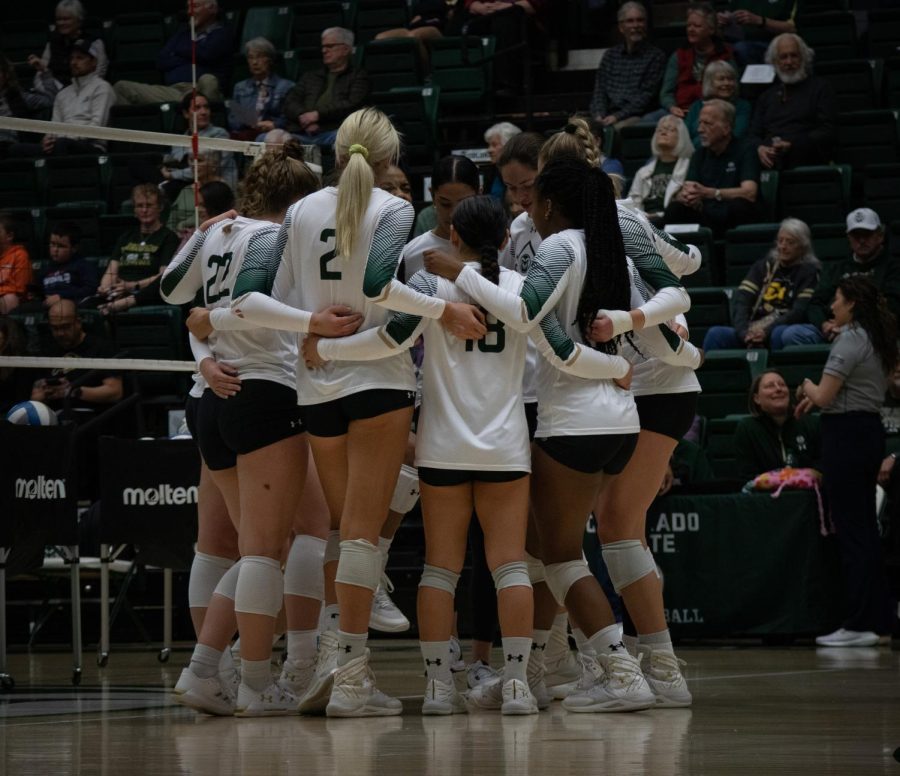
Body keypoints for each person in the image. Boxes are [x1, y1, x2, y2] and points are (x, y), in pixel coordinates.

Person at [188, 107, 485, 717]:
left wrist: (309, 332)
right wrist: (442, 311)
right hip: (376, 378)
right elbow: (379, 288)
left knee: (335, 532)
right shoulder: (396, 209)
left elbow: (253, 300)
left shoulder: (299, 212)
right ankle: (346, 672)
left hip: (316, 385)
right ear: (387, 156)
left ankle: (328, 658)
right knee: (358, 533)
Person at [427, 158, 671, 713]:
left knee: (558, 556)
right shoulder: (606, 246)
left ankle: (619, 670)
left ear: (550, 204)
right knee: (541, 552)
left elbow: (522, 313)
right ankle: (535, 672)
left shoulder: (561, 247)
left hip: (574, 420)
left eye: (533, 198)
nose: (525, 207)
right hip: (617, 418)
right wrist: (614, 369)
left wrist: (456, 273)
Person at [304, 195, 548, 714]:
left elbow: (388, 342)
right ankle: (518, 685)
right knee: (510, 566)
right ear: (506, 240)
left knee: (441, 569)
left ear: (451, 236)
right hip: (506, 445)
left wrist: (325, 348)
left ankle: (438, 688)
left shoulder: (428, 286)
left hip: (441, 445)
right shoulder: (524, 289)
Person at [162, 143, 341, 716]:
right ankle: (246, 678)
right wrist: (312, 321)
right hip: (263, 392)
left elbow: (171, 290)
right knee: (266, 548)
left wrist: (201, 233)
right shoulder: (279, 236)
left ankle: (230, 667)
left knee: (270, 540)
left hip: (214, 397)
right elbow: (250, 301)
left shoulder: (222, 232)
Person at [796, 276, 897, 648]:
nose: (832, 306)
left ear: (852, 302)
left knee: (853, 532)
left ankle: (859, 623)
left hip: (848, 437)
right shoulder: (875, 337)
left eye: (837, 299)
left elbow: (823, 396)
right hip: (866, 431)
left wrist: (806, 386)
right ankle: (878, 620)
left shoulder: (851, 338)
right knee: (865, 530)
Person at [772, 208, 900, 349]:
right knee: (788, 334)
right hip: (831, 329)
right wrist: (825, 325)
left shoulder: (894, 268)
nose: (862, 240)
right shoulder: (836, 268)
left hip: (872, 330)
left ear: (880, 236)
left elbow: (892, 306)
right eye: (856, 235)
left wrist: (849, 326)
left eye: (867, 234)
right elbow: (815, 304)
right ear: (849, 238)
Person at [703, 218, 819, 350]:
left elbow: (798, 312)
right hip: (752, 329)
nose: (783, 246)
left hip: (778, 328)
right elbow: (742, 302)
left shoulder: (809, 272)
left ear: (803, 246)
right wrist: (744, 333)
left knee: (780, 333)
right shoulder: (763, 266)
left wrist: (766, 332)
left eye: (790, 242)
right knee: (716, 334)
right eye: (780, 241)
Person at [664, 98, 759, 236]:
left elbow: (750, 193)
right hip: (706, 214)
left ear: (726, 128)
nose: (700, 129)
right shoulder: (699, 154)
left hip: (732, 215)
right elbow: (689, 186)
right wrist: (685, 196)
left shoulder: (746, 150)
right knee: (675, 209)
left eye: (707, 124)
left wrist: (712, 193)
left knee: (739, 206)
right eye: (700, 123)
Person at [113, 0, 231, 105]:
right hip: (175, 92)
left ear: (212, 9)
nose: (189, 12)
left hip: (202, 91)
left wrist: (179, 52)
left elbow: (206, 55)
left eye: (195, 6)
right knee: (121, 87)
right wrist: (190, 55)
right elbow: (162, 61)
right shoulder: (181, 34)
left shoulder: (222, 34)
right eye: (188, 7)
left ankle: (209, 128)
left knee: (208, 79)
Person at [747, 33, 837, 171]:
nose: (789, 62)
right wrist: (760, 148)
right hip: (768, 165)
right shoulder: (766, 96)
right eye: (783, 57)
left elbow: (826, 131)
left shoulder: (820, 88)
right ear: (775, 62)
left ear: (804, 58)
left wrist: (792, 144)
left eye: (794, 55)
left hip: (806, 161)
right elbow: (753, 135)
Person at [14, 39, 114, 157]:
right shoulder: (63, 94)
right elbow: (54, 126)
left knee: (61, 144)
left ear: (93, 62)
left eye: (80, 58)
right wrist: (47, 140)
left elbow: (96, 128)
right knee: (16, 149)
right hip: (62, 143)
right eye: (72, 58)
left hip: (91, 147)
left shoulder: (102, 87)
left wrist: (63, 138)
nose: (74, 62)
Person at [30, 298, 123, 416]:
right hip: (52, 414)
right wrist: (44, 394)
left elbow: (115, 392)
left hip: (90, 415)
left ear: (78, 322)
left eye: (65, 327)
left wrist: (73, 391)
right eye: (55, 328)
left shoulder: (101, 347)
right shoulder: (47, 350)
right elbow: (35, 395)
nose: (60, 333)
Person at [97, 185, 180, 314]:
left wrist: (131, 286)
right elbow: (111, 271)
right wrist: (105, 287)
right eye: (140, 206)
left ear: (160, 207)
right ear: (134, 210)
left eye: (149, 205)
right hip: (118, 291)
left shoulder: (169, 237)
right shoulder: (126, 237)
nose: (144, 210)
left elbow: (163, 276)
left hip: (145, 293)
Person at [282, 28, 370, 148]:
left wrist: (318, 115)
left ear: (345, 49)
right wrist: (305, 118)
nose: (324, 50)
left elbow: (352, 104)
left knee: (347, 141)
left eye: (330, 46)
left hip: (333, 132)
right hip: (302, 132)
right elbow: (290, 102)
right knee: (266, 138)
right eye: (323, 47)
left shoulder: (358, 76)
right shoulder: (310, 76)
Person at [399, 155, 479, 281]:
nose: (453, 214)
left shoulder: (499, 246)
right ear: (432, 196)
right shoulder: (411, 253)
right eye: (445, 204)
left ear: (479, 195)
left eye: (464, 204)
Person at [733, 370, 820, 482]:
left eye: (782, 385)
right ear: (757, 398)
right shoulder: (747, 428)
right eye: (770, 386)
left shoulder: (811, 423)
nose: (778, 389)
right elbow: (747, 476)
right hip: (764, 497)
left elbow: (823, 468)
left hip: (808, 495)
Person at [589, 2, 666, 128]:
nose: (635, 25)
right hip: (607, 115)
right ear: (621, 27)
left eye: (640, 20)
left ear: (646, 24)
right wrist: (599, 115)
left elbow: (645, 98)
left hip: (635, 116)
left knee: (617, 130)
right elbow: (599, 92)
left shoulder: (656, 57)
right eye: (630, 21)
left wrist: (616, 117)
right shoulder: (610, 56)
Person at [658, 2, 734, 120]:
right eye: (689, 26)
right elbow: (666, 93)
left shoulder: (725, 53)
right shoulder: (679, 55)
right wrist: (672, 107)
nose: (691, 30)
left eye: (697, 26)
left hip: (713, 111)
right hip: (679, 110)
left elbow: (733, 89)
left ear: (711, 29)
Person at [27, 0, 108, 106]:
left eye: (66, 19)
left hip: (85, 94)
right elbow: (42, 72)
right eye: (58, 19)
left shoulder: (93, 42)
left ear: (78, 20)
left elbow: (100, 73)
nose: (61, 23)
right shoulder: (53, 42)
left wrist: (80, 93)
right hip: (56, 94)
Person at [462, 0, 550, 96]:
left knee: (503, 21)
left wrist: (510, 6)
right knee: (461, 23)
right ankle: (460, 83)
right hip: (486, 12)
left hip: (521, 16)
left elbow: (534, 5)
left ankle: (506, 84)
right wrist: (477, 6)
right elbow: (469, 3)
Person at [627, 115, 693, 223]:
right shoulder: (643, 172)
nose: (663, 132)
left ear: (681, 136)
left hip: (673, 221)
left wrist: (658, 215)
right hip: (644, 222)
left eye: (670, 130)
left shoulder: (688, 167)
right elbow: (633, 203)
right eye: (660, 130)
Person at [228, 37, 295, 141]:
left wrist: (274, 124)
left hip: (272, 134)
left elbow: (290, 119)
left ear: (270, 60)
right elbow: (233, 120)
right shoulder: (240, 87)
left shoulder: (286, 87)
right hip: (246, 133)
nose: (254, 62)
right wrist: (252, 122)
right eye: (250, 57)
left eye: (259, 57)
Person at [684, 60, 751, 149]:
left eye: (730, 79)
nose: (727, 83)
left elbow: (736, 134)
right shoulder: (696, 106)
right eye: (721, 79)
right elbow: (684, 136)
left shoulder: (742, 106)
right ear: (709, 82)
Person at [717, 0, 797, 66]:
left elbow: (793, 28)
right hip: (739, 40)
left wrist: (760, 21)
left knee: (741, 48)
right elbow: (728, 17)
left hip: (776, 44)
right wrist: (722, 20)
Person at [40, 222, 98, 308]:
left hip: (69, 305)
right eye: (52, 244)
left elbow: (91, 289)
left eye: (61, 246)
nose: (55, 249)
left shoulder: (82, 265)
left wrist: (62, 296)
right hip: (47, 305)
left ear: (74, 248)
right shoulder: (47, 268)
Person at [0, 54, 44, 156]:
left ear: (6, 75)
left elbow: (49, 100)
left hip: (9, 146)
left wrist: (44, 72)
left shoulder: (20, 98)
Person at [0, 214, 32, 315]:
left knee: (10, 298)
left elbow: (20, 290)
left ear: (9, 236)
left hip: (12, 301)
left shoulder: (20, 255)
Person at [483, 122, 521, 204]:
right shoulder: (491, 172)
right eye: (489, 145)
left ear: (509, 145)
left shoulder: (521, 173)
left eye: (494, 145)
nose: (489, 150)